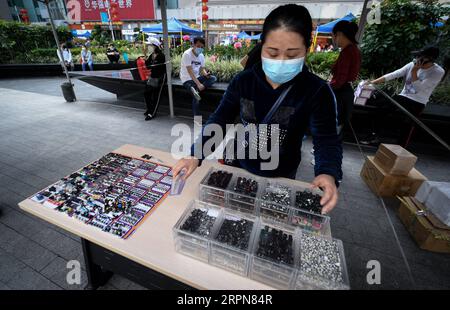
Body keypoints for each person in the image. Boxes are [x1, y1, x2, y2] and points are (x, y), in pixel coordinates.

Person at [173, 4, 343, 214]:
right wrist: (195, 155)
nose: (281, 61)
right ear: (261, 47)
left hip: (282, 173)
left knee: (271, 219)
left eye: (291, 55)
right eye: (272, 52)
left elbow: (326, 139)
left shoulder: (317, 91)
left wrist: (328, 172)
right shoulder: (243, 82)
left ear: (306, 49)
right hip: (241, 165)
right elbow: (220, 119)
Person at [361, 46, 445, 146]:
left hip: (418, 101)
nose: (417, 60)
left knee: (408, 124)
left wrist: (414, 72)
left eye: (420, 58)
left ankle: (401, 147)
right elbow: (394, 74)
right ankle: (373, 135)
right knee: (381, 107)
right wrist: (372, 82)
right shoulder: (412, 64)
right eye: (417, 57)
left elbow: (419, 88)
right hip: (403, 97)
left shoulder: (438, 71)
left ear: (429, 59)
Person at [330, 20, 361, 138]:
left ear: (340, 34)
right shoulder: (354, 50)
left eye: (334, 36)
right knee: (337, 128)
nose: (334, 39)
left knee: (332, 125)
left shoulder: (347, 52)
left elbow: (340, 79)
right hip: (345, 92)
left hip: (340, 93)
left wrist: (327, 88)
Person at [180, 37, 217, 119]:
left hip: (197, 78)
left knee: (213, 78)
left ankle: (195, 89)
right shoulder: (187, 54)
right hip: (187, 79)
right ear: (193, 45)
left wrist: (206, 74)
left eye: (201, 47)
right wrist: (199, 84)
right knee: (196, 98)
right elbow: (190, 71)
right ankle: (197, 120)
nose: (200, 48)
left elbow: (201, 69)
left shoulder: (201, 56)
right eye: (198, 46)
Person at [144, 41, 166, 121]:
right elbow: (148, 67)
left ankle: (152, 113)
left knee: (156, 96)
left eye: (150, 45)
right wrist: (146, 57)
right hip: (152, 77)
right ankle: (150, 109)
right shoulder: (151, 55)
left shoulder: (161, 56)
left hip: (160, 78)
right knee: (146, 93)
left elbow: (161, 68)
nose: (149, 47)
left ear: (155, 46)